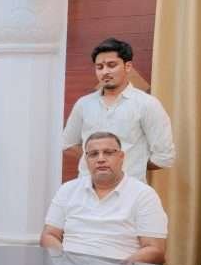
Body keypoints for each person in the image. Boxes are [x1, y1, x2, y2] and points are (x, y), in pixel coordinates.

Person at [41, 131, 168, 265]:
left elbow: (154, 249)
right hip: (76, 260)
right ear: (86, 159)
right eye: (93, 154)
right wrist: (65, 259)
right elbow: (48, 235)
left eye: (108, 152)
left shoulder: (143, 194)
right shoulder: (68, 190)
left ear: (121, 157)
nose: (100, 158)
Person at [62, 38, 175, 183]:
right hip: (87, 187)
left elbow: (164, 157)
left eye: (111, 65)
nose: (105, 72)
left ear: (128, 66)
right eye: (99, 67)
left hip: (130, 189)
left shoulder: (147, 104)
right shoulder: (84, 104)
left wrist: (132, 165)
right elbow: (68, 144)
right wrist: (96, 160)